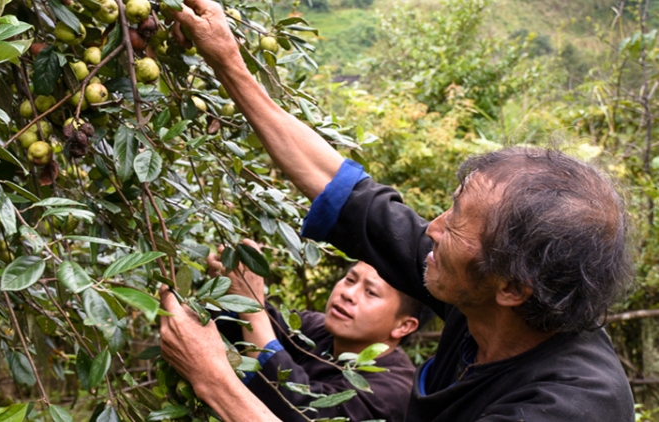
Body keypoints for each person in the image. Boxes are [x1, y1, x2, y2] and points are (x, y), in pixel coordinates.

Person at [158, 1, 636, 421]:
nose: (432, 228)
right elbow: (343, 189)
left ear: (512, 287)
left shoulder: (570, 404)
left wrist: (214, 382)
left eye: (454, 227)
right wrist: (227, 61)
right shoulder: (483, 294)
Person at [208, 241, 425, 421]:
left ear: (403, 326)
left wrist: (251, 309)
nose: (348, 293)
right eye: (350, 280)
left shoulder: (392, 391)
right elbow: (257, 324)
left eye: (370, 292)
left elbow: (304, 410)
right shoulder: (318, 328)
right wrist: (228, 287)